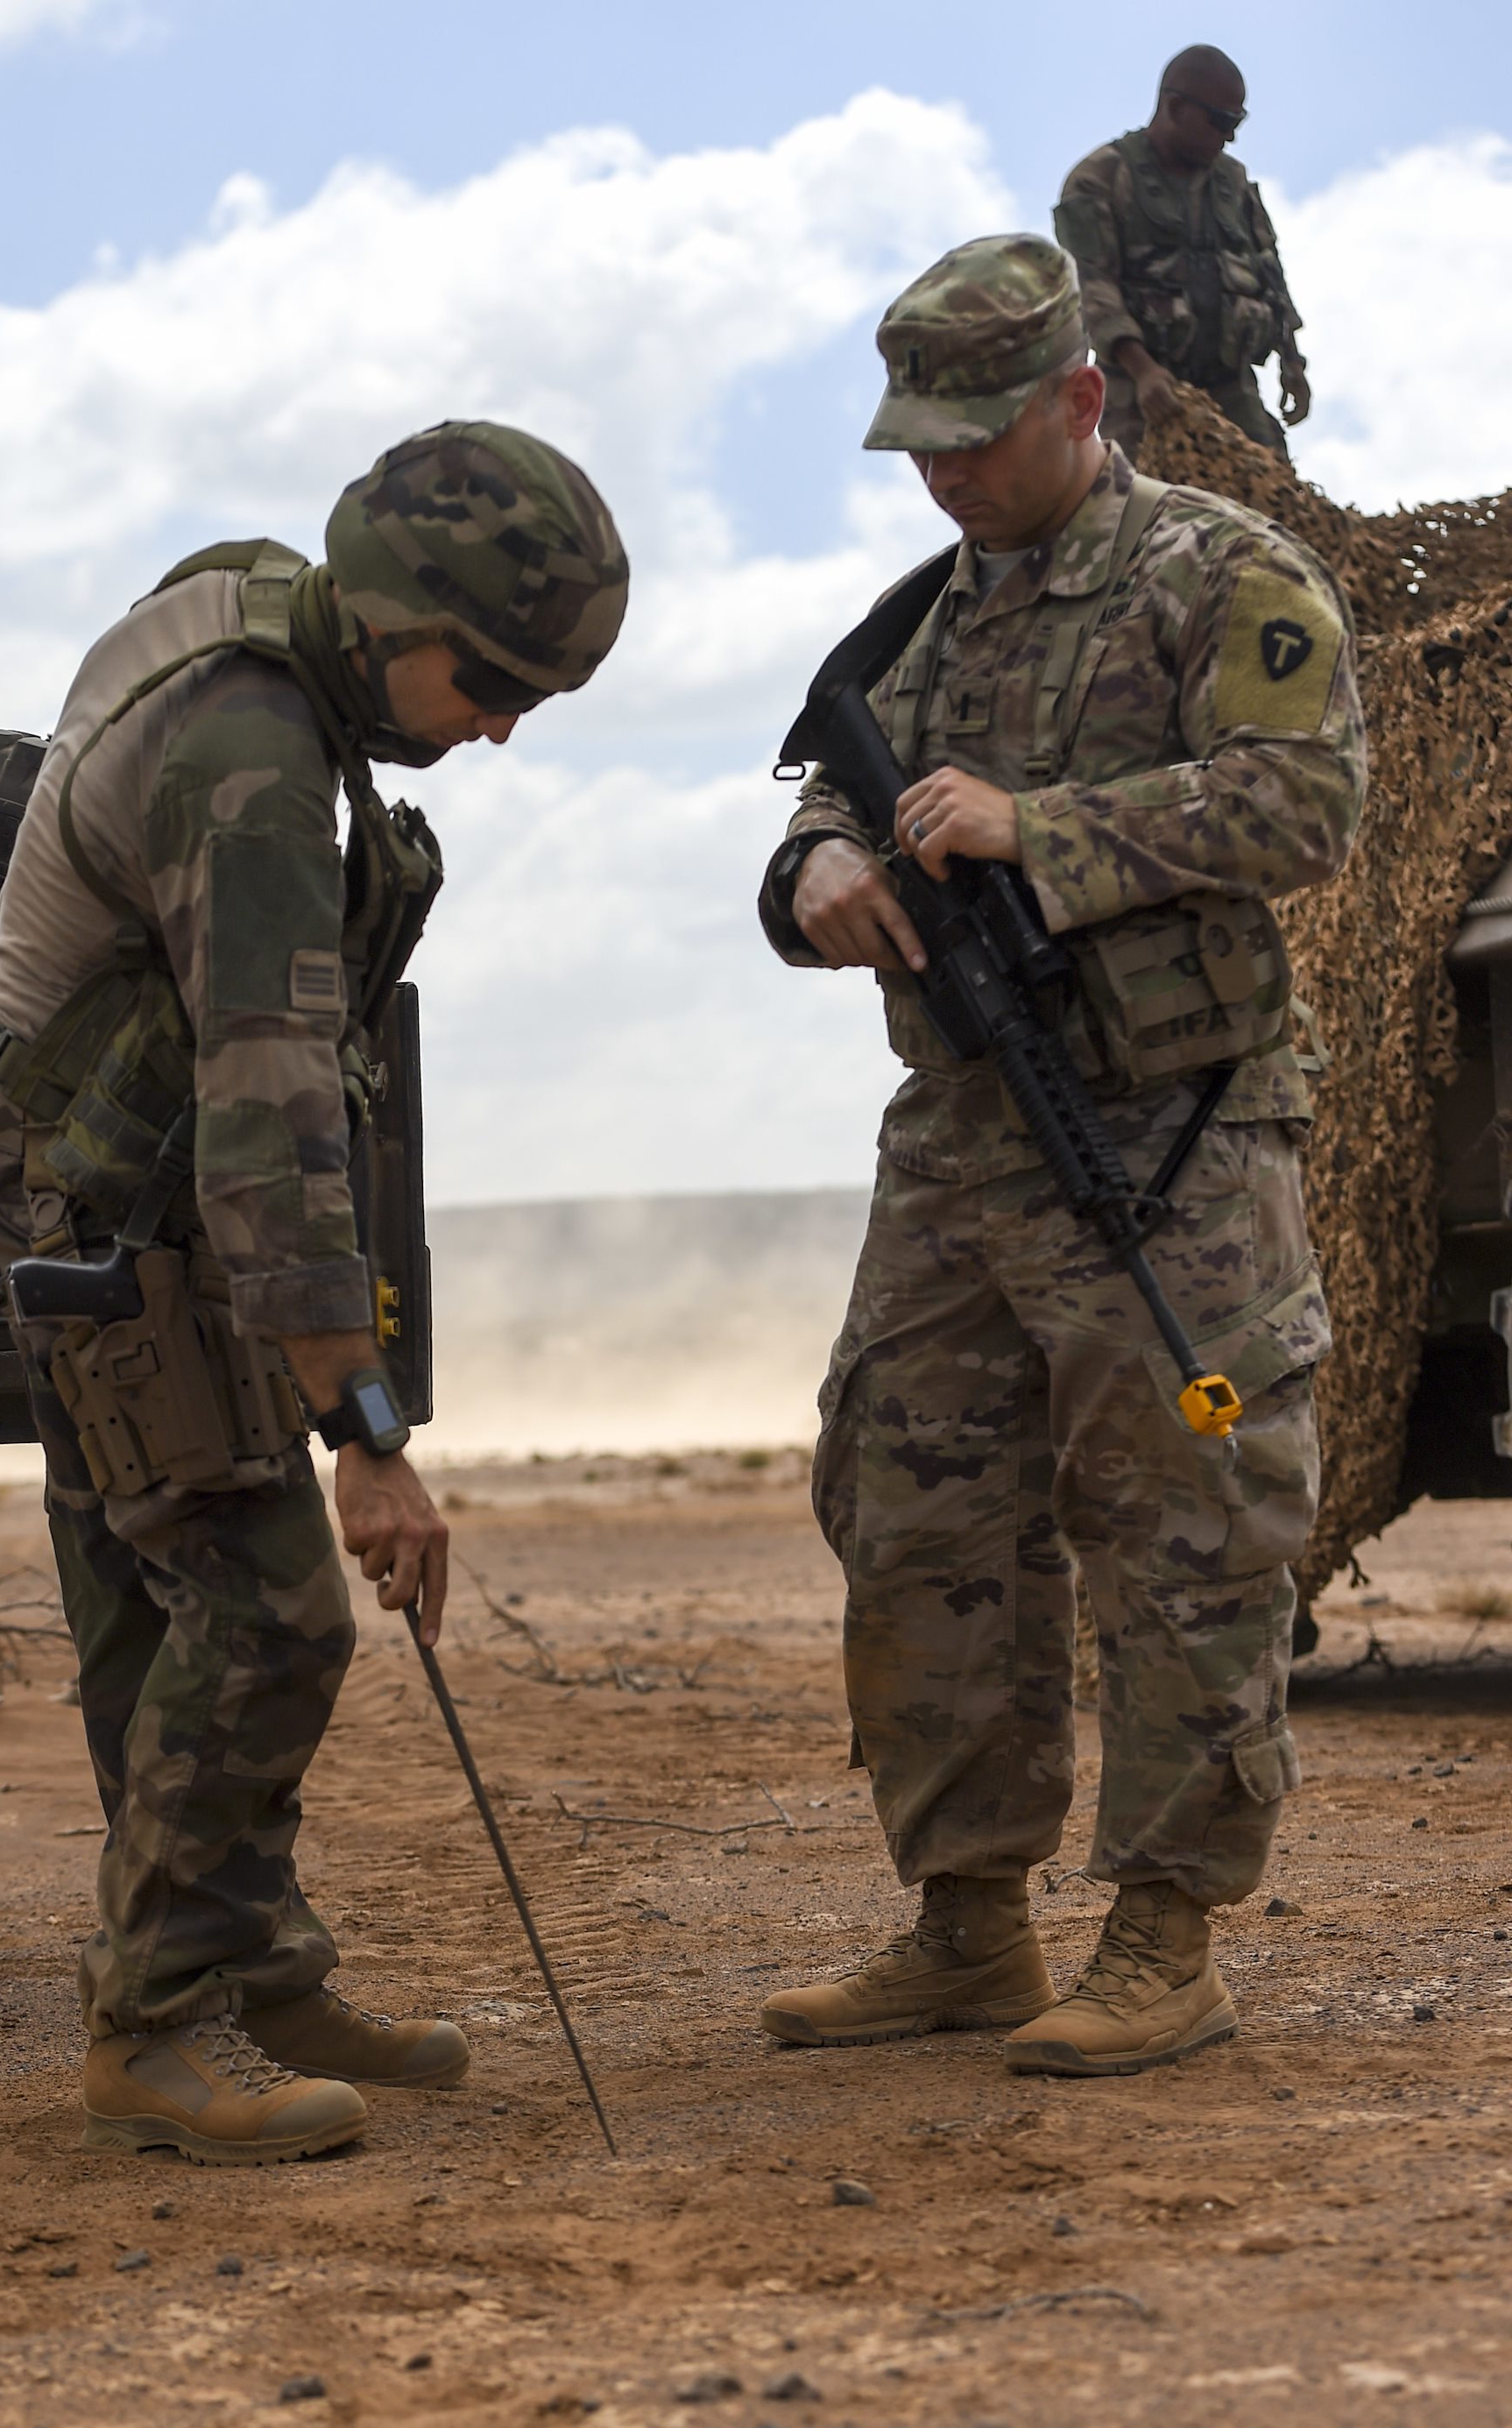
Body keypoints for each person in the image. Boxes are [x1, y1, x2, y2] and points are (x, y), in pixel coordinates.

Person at [0, 422, 627, 2164]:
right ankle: (159, 2023)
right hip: (91, 1185)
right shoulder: (252, 760)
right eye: (491, 678)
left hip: (87, 1163)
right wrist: (364, 1431)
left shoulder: (274, 631)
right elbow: (273, 1120)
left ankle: (240, 1963)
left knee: (152, 1585)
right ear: (392, 618)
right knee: (271, 1603)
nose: (503, 724)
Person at [755, 235, 1364, 2077]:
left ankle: (1165, 1932)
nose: (944, 475)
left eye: (977, 437)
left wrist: (1044, 830)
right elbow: (818, 804)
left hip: (1166, 1135)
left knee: (1187, 1525)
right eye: (919, 445)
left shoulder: (1217, 575)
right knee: (915, 1504)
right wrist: (814, 876)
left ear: (1080, 400)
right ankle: (965, 1924)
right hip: (958, 1141)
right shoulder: (916, 625)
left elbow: (1307, 799)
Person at [1054, 46, 1308, 460]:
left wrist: (1292, 362)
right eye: (1221, 121)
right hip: (1141, 386)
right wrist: (1143, 371)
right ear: (1174, 107)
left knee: (1274, 504)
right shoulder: (1100, 179)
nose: (1230, 136)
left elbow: (1268, 272)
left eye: (1237, 121)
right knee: (1145, 507)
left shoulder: (1233, 183)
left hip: (1230, 384)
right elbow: (1092, 287)